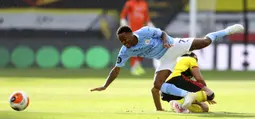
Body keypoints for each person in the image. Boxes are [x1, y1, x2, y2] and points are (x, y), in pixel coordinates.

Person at [90, 24, 244, 111]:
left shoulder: (144, 32)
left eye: (125, 39)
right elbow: (116, 69)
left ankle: (227, 30)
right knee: (157, 86)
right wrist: (105, 85)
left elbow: (162, 32)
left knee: (204, 42)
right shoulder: (126, 51)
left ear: (131, 33)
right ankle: (167, 106)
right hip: (164, 59)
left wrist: (165, 41)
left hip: (173, 45)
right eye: (121, 41)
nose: (124, 43)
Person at [120, 0, 154, 76]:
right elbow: (123, 16)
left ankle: (137, 65)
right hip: (132, 30)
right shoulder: (129, 3)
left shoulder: (144, 4)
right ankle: (133, 67)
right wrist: (125, 27)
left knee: (143, 48)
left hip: (142, 30)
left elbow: (146, 17)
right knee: (133, 48)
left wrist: (151, 26)